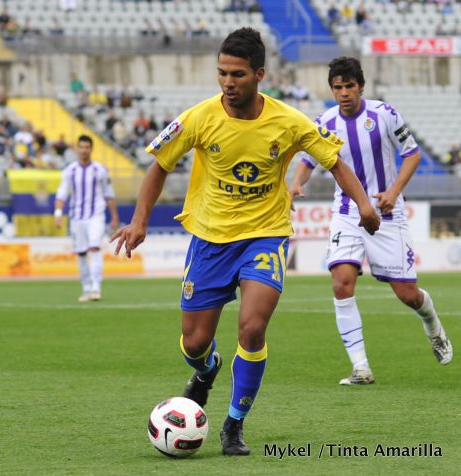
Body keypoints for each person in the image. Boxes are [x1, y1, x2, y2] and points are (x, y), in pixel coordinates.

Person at [110, 28, 380, 456]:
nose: (227, 82)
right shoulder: (199, 117)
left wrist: (364, 204)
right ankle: (206, 371)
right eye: (221, 73)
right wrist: (138, 221)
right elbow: (159, 164)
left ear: (259, 74)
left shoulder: (289, 121)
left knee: (252, 329)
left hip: (265, 237)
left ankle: (234, 424)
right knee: (195, 343)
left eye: (236, 74)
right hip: (210, 240)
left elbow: (335, 162)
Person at [289, 56, 453, 386]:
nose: (344, 92)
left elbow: (413, 153)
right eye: (338, 87)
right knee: (342, 282)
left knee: (407, 294)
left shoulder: (384, 114)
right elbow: (308, 160)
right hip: (347, 214)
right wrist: (295, 184)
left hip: (386, 213)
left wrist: (393, 191)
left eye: (349, 86)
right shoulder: (325, 122)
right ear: (332, 90)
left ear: (360, 86)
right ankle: (360, 367)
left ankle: (433, 325)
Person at [54, 135, 120, 302]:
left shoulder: (100, 170)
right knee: (82, 253)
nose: (84, 150)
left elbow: (109, 194)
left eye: (87, 147)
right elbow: (61, 194)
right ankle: (86, 288)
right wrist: (58, 214)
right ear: (77, 148)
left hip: (95, 215)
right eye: (81, 147)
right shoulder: (69, 171)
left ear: (91, 149)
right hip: (76, 217)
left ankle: (96, 288)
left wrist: (114, 216)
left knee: (95, 247)